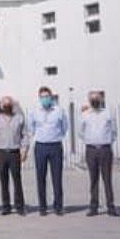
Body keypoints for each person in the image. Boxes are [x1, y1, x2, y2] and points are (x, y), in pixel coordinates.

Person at [78, 92, 118, 217]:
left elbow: (114, 131)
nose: (95, 100)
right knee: (93, 179)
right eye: (93, 98)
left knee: (107, 179)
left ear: (101, 99)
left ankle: (111, 206)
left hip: (105, 149)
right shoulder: (85, 115)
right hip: (91, 150)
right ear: (89, 100)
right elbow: (80, 132)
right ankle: (93, 206)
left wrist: (106, 141)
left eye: (97, 98)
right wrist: (90, 140)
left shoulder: (108, 113)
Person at [29, 86, 68, 216]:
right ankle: (43, 207)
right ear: (39, 98)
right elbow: (31, 127)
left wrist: (56, 136)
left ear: (51, 97)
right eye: (43, 96)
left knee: (57, 177)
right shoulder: (34, 111)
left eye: (47, 96)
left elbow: (65, 127)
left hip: (55, 146)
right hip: (40, 146)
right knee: (40, 178)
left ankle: (58, 206)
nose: (45, 99)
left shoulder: (59, 110)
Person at [0, 96, 27, 216]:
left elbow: (25, 135)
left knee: (17, 180)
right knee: (3, 181)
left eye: (9, 104)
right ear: (1, 106)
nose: (7, 106)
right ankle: (6, 206)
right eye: (5, 104)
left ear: (12, 105)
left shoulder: (19, 119)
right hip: (1, 153)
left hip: (14, 152)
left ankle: (20, 206)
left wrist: (24, 150)